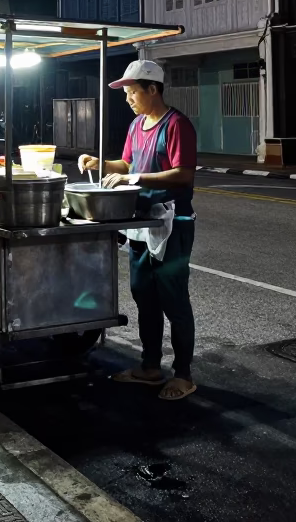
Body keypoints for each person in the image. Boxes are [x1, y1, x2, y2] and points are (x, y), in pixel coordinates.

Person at [79, 60, 198, 401]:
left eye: (133, 92)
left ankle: (184, 375)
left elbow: (182, 174)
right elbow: (127, 165)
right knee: (144, 296)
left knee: (174, 300)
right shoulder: (136, 125)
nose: (128, 98)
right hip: (140, 224)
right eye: (127, 93)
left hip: (172, 223)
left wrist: (133, 178)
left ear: (153, 89)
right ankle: (149, 366)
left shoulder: (177, 125)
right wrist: (99, 163)